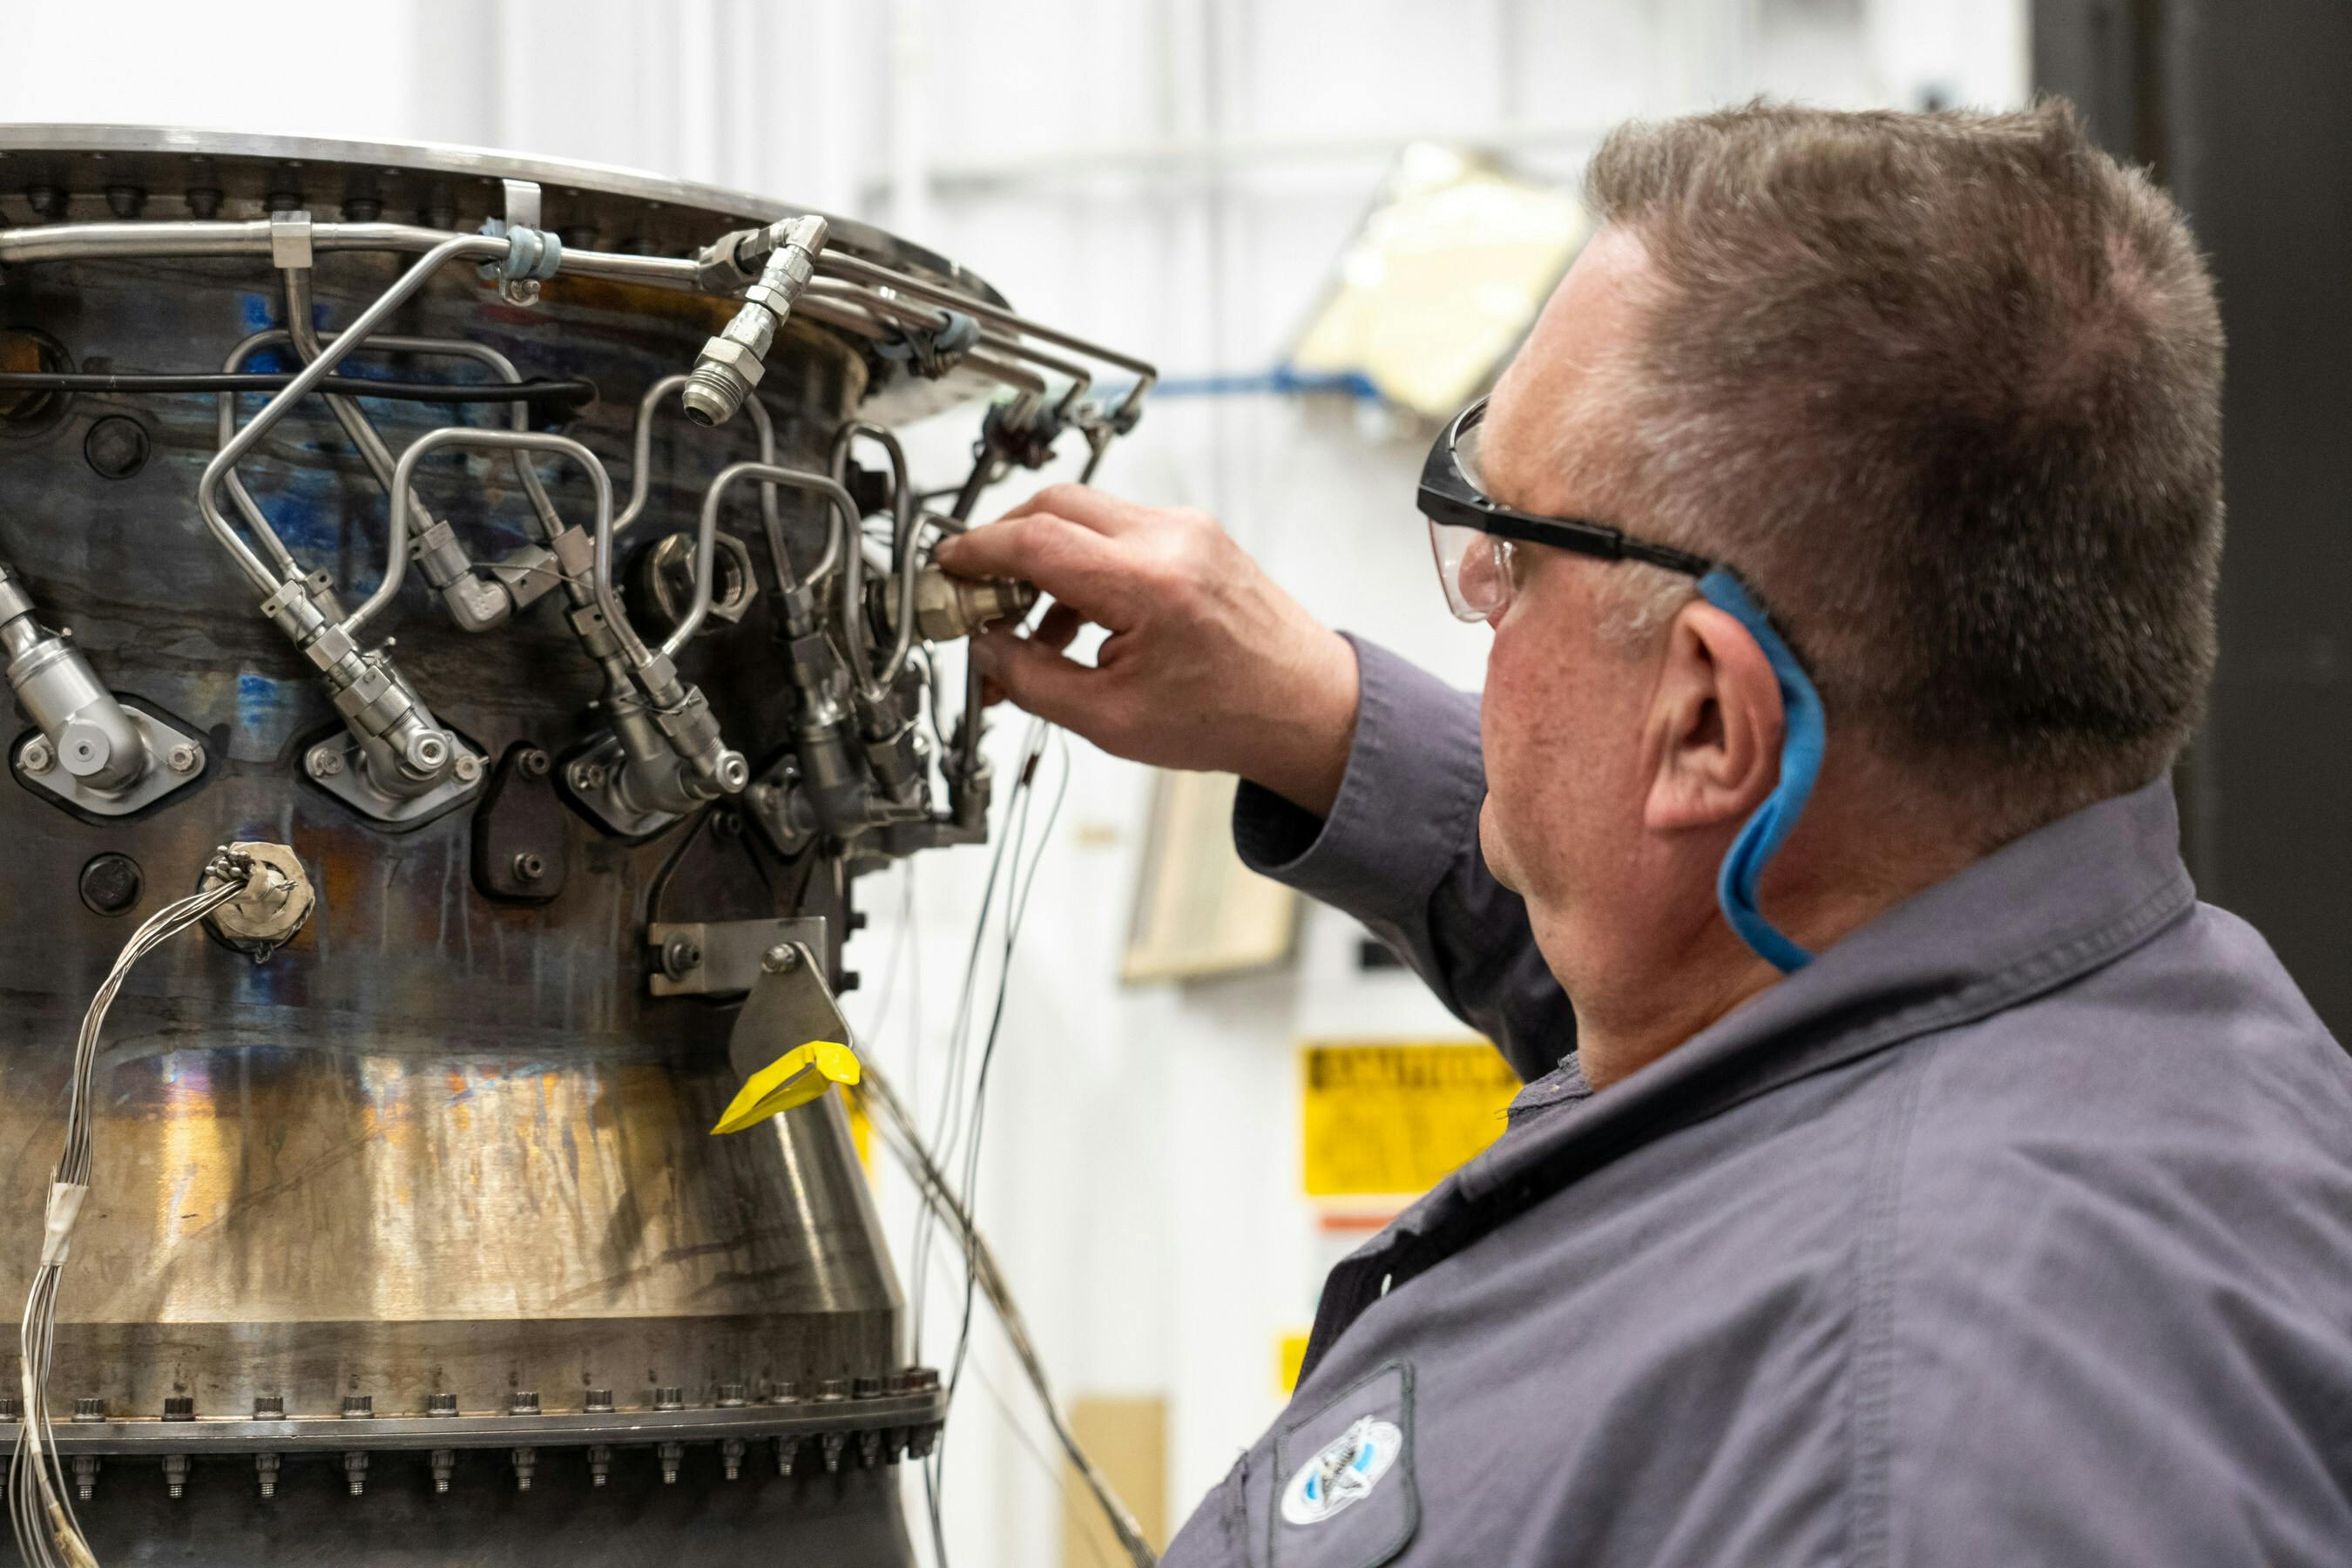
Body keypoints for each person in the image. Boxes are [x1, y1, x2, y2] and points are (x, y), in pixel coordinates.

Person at [938, 101, 2352, 1566]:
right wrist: (1324, 723)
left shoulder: (1908, 1452)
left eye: (1514, 543)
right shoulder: (2124, 1016)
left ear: (1706, 724)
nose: (1478, 575)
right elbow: (1744, 1022)